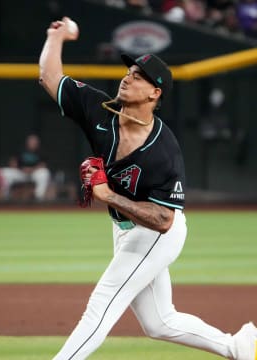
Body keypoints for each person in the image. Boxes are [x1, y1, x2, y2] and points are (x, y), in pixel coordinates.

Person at [39, 16, 257, 360]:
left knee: (102, 305)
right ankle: (239, 347)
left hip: (156, 232)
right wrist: (57, 37)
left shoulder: (163, 150)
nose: (129, 77)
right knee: (159, 322)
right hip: (125, 228)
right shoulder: (98, 110)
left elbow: (165, 220)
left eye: (139, 77)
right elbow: (49, 77)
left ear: (155, 93)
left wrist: (107, 195)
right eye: (129, 72)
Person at [0, 134, 51, 200]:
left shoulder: (41, 151)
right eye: (31, 141)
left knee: (44, 172)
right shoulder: (21, 149)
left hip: (34, 174)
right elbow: (13, 162)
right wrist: (21, 168)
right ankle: (6, 196)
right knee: (4, 172)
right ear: (27, 142)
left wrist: (32, 169)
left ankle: (38, 197)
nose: (33, 143)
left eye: (35, 142)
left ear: (38, 143)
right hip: (21, 173)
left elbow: (43, 165)